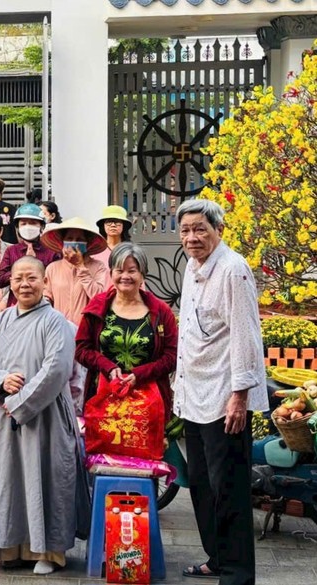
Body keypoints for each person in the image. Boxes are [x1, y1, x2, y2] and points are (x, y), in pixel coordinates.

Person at [174, 199, 266, 585]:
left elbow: (246, 335)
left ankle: (237, 574)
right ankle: (216, 557)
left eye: (200, 229)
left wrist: (239, 395)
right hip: (194, 394)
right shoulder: (192, 267)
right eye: (185, 230)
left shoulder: (233, 269)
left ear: (219, 230)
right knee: (201, 484)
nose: (192, 237)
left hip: (224, 399)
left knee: (228, 487)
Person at [0, 256, 81, 575]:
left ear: (44, 282)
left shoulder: (56, 322)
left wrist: (20, 403)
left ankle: (49, 553)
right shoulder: (4, 319)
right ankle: (12, 548)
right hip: (9, 415)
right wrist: (2, 379)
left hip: (44, 415)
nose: (24, 284)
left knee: (46, 480)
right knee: (12, 481)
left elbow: (57, 369)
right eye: (19, 278)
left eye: (32, 278)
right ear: (10, 282)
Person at [75, 242, 178, 417]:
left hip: (149, 402)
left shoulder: (160, 312)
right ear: (111, 273)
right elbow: (82, 350)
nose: (125, 276)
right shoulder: (98, 307)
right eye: (119, 270)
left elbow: (172, 356)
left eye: (132, 270)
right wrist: (107, 367)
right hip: (104, 398)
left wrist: (139, 374)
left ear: (142, 275)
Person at [40, 217, 110, 326]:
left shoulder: (98, 267)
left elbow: (99, 297)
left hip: (87, 330)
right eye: (70, 238)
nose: (74, 243)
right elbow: (46, 297)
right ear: (62, 242)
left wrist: (80, 266)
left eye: (79, 239)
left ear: (87, 243)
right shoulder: (52, 268)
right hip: (59, 328)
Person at [0, 204, 59, 307]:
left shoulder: (52, 251)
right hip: (16, 307)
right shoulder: (12, 251)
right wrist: (22, 265)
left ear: (42, 226)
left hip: (44, 307)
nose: (28, 227)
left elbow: (55, 279)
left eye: (33, 223)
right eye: (23, 224)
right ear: (17, 227)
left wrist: (36, 262)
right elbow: (0, 280)